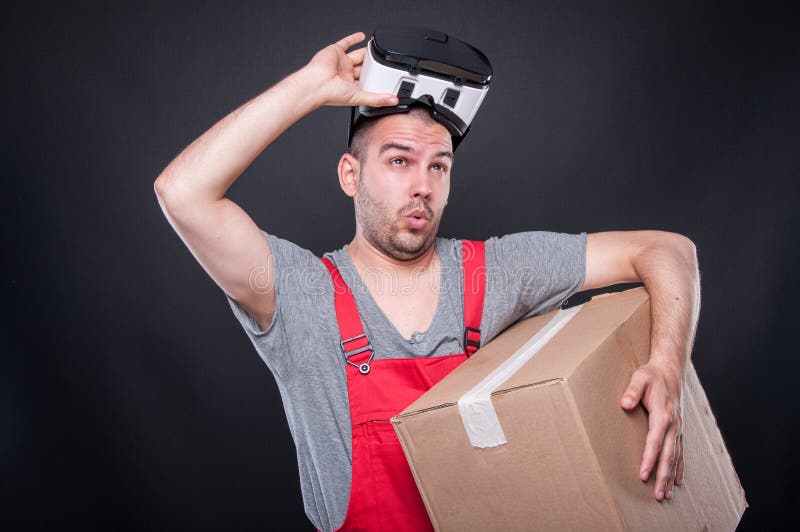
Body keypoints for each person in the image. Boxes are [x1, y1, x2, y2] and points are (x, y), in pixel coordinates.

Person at [154, 31, 700, 531]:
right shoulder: (299, 295)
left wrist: (668, 366)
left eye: (438, 166)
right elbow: (182, 192)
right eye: (398, 161)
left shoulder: (499, 273)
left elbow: (668, 250)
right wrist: (309, 88)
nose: (422, 185)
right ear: (351, 175)